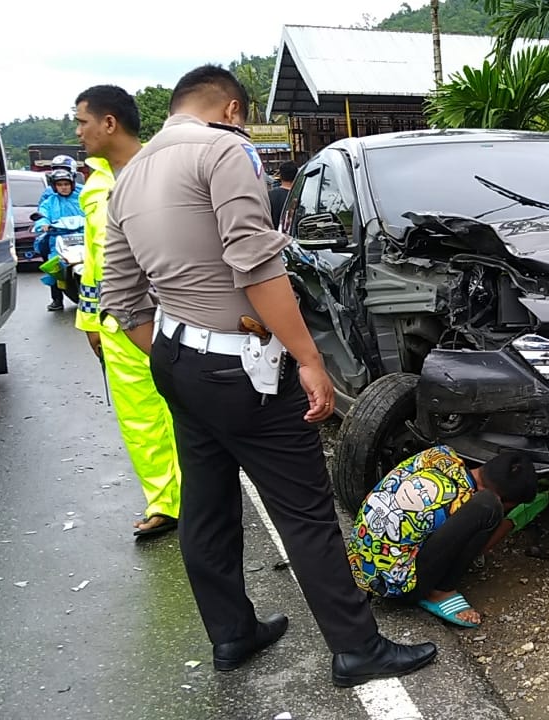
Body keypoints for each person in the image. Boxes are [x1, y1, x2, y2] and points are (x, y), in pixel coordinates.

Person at [98, 64, 436, 687]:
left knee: (206, 506)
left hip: (173, 357)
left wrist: (184, 357)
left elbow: (122, 296)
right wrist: (308, 358)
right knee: (304, 510)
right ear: (231, 109)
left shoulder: (129, 176)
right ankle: (357, 648)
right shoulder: (226, 151)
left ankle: (232, 635)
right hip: (241, 362)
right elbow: (255, 264)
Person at [72, 85, 182, 539]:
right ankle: (166, 501)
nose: (77, 132)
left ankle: (204, 497)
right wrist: (91, 321)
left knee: (187, 409)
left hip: (173, 315)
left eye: (82, 122)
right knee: (139, 418)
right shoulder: (95, 183)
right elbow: (96, 262)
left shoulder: (165, 169)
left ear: (109, 122)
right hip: (118, 324)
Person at [348, 446, 538, 628]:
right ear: (502, 497)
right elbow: (474, 546)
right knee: (488, 508)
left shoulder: (439, 455)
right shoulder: (466, 501)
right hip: (395, 586)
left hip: (357, 558)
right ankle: (439, 591)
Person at [33, 168, 84, 311]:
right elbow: (42, 215)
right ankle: (57, 300)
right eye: (60, 184)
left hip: (83, 236)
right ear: (55, 187)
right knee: (55, 266)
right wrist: (43, 223)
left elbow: (93, 211)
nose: (64, 187)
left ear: (72, 184)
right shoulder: (49, 202)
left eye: (66, 184)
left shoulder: (82, 198)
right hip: (58, 238)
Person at [269, 161, 297, 229]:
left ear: (280, 176)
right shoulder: (300, 196)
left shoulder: (270, 195)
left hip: (275, 236)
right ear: (296, 176)